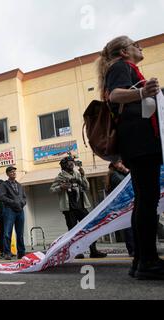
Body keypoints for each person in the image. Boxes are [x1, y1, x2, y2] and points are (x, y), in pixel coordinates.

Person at [97, 36, 163, 279]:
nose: (141, 47)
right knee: (148, 200)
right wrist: (144, 91)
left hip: (136, 143)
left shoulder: (123, 68)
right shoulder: (121, 67)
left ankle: (141, 260)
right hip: (140, 142)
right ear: (125, 51)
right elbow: (115, 95)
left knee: (144, 201)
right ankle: (147, 260)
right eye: (136, 44)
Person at [50, 156, 107, 259]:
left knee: (90, 227)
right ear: (64, 165)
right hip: (69, 209)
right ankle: (76, 252)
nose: (71, 164)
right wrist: (61, 187)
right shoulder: (60, 177)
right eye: (69, 162)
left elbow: (86, 187)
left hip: (81, 206)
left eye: (72, 162)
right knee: (73, 232)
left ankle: (93, 251)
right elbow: (52, 189)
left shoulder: (78, 174)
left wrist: (83, 176)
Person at [106, 160, 135, 257]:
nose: (122, 164)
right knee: (129, 227)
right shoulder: (115, 175)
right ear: (114, 165)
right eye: (120, 163)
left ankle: (134, 248)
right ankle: (132, 249)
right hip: (124, 204)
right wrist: (127, 171)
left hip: (128, 203)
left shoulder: (118, 173)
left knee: (131, 226)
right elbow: (126, 184)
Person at [0, 167, 27, 260]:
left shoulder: (19, 185)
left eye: (14, 172)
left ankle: (21, 253)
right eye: (11, 172)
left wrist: (22, 203)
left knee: (20, 233)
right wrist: (13, 202)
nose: (13, 173)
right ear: (7, 174)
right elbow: (1, 197)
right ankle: (7, 253)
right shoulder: (4, 185)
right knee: (7, 232)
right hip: (9, 210)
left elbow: (24, 197)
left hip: (20, 211)